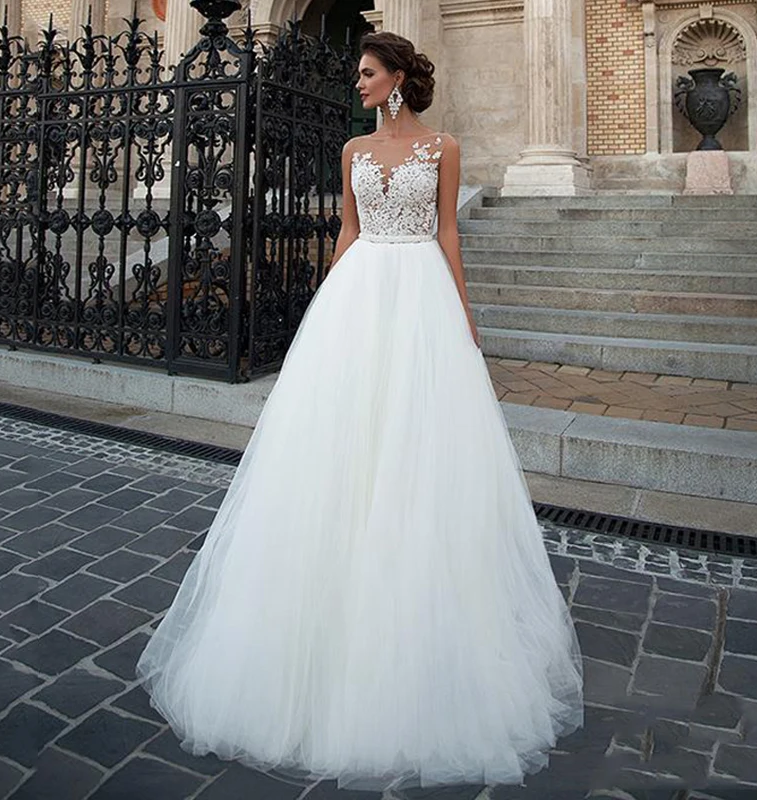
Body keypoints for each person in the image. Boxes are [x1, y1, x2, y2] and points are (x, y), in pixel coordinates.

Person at [136, 30, 583, 796]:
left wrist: (465, 315)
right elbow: (347, 227)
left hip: (421, 298)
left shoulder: (443, 147)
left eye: (369, 73)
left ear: (399, 78)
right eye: (358, 74)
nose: (359, 84)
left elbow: (446, 231)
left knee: (417, 450)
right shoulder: (351, 151)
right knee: (336, 454)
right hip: (359, 297)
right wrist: (326, 304)